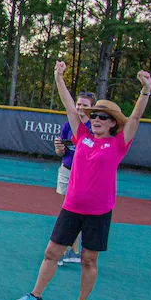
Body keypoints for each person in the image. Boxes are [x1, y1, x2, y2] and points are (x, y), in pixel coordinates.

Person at [10, 64, 151, 300]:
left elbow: (135, 119)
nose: (96, 119)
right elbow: (67, 105)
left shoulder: (118, 144)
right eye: (94, 115)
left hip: (98, 212)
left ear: (112, 124)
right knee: (51, 252)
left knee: (88, 259)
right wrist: (58, 77)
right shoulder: (82, 135)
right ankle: (35, 297)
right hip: (72, 207)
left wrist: (145, 91)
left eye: (102, 117)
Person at [53, 91, 96, 265]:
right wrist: (59, 148)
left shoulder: (95, 127)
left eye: (85, 105)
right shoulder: (67, 125)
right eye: (78, 104)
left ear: (91, 108)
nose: (80, 107)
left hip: (85, 176)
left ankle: (70, 251)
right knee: (66, 210)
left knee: (77, 214)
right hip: (67, 170)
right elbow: (61, 152)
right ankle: (70, 250)